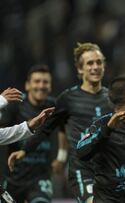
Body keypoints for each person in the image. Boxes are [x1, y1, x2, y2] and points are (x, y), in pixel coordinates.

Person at [7, 43, 112, 203]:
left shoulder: (113, 98)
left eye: (99, 62)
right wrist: (25, 150)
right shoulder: (67, 99)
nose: (95, 67)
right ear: (79, 69)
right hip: (83, 169)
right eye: (90, 63)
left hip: (110, 167)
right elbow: (46, 129)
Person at [0, 65, 67, 203]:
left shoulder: (54, 106)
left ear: (50, 86)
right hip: (14, 176)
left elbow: (63, 128)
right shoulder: (16, 105)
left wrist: (61, 156)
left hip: (41, 177)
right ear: (27, 85)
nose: (41, 86)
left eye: (45, 82)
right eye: (37, 81)